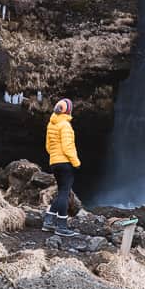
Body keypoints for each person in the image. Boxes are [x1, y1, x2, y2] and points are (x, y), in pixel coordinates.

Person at [43, 98, 81, 236]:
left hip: (54, 162)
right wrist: (76, 162)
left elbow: (48, 146)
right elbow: (68, 147)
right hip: (65, 163)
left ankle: (48, 221)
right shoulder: (65, 125)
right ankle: (62, 227)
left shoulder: (51, 124)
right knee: (65, 193)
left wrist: (55, 156)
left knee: (61, 193)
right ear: (68, 110)